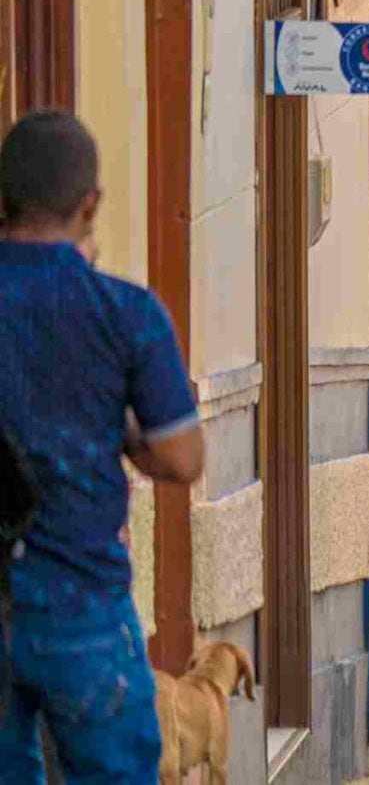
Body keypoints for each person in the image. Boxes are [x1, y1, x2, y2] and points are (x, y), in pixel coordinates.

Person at [0, 111, 205, 778]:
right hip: (84, 606)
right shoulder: (125, 313)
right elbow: (181, 458)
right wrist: (123, 435)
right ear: (90, 204)